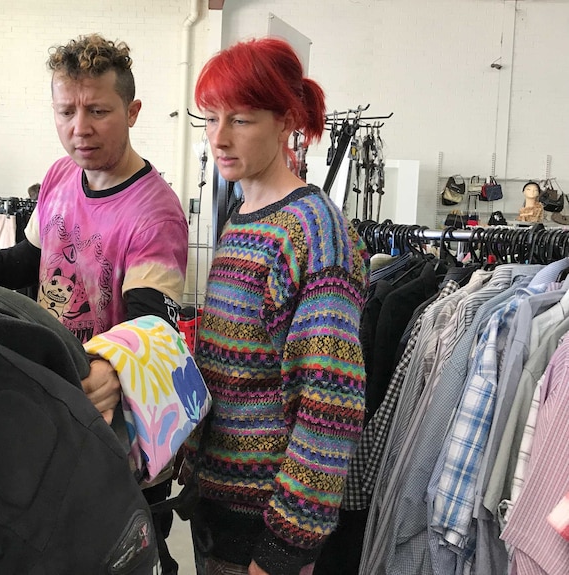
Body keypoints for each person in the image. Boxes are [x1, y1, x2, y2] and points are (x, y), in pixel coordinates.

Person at [0, 33, 189, 575]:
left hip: (114, 425)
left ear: (133, 111)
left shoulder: (154, 214)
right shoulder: (62, 175)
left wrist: (113, 364)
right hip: (56, 403)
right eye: (65, 111)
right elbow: (32, 259)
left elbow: (152, 322)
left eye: (98, 111)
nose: (79, 128)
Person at [178, 37, 370, 575]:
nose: (219, 138)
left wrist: (285, 548)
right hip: (217, 506)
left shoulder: (313, 229)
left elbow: (329, 401)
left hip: (264, 527)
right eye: (210, 119)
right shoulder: (244, 214)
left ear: (286, 121)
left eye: (240, 120)